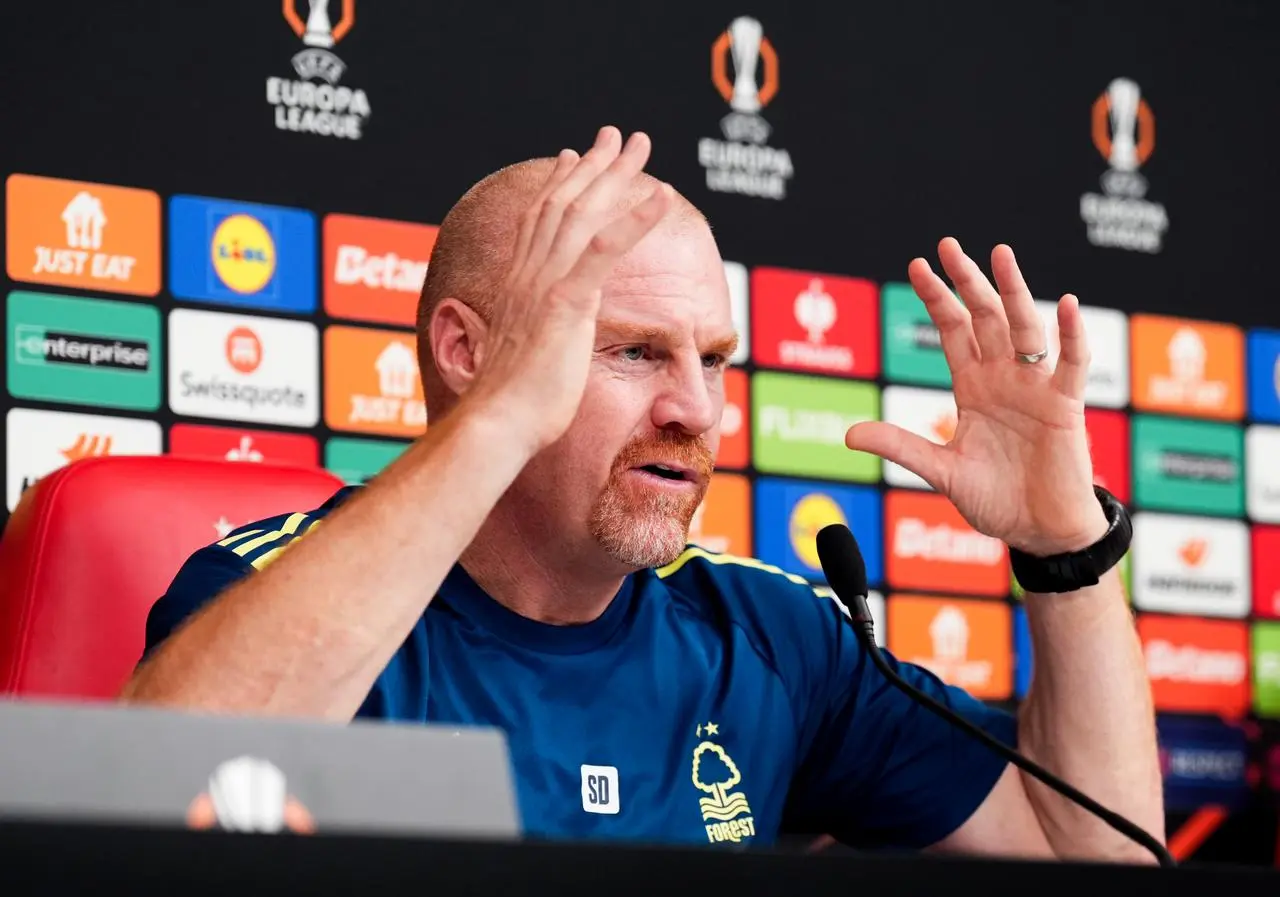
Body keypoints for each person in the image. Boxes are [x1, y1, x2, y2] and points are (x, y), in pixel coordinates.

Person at [122, 127, 1162, 859]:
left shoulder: (765, 633)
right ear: (464, 353)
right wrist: (494, 422)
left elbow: (1091, 852)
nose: (696, 410)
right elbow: (156, 790)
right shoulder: (270, 594)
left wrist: (1063, 545)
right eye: (630, 351)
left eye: (712, 360)